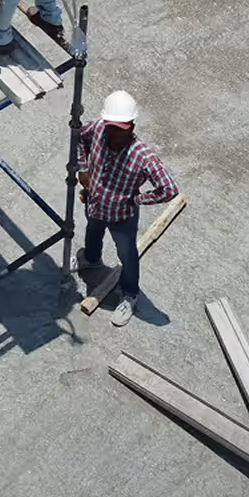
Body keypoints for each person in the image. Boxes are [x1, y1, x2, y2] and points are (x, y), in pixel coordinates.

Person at [75, 91, 178, 328]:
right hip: (95, 204)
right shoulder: (98, 129)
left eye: (120, 128)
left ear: (131, 126)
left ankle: (130, 295)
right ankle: (91, 259)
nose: (114, 133)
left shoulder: (143, 156)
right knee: (92, 231)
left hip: (122, 217)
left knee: (127, 255)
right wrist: (83, 170)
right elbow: (80, 137)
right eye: (111, 127)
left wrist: (137, 199)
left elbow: (169, 189)